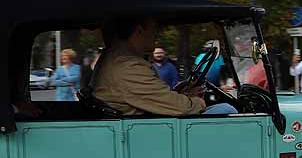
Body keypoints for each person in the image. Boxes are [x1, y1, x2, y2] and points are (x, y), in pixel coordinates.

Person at [94, 16, 236, 116]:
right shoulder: (127, 66)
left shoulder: (117, 59)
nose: (156, 34)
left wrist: (180, 93)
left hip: (144, 124)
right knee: (226, 110)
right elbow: (183, 108)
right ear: (139, 31)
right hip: (146, 135)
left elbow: (150, 98)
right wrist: (197, 101)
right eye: (154, 28)